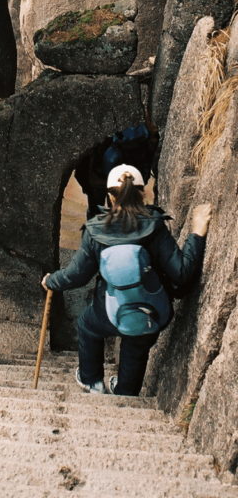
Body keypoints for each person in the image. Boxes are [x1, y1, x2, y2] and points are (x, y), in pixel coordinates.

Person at [42, 165, 211, 396]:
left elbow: (76, 276)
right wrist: (197, 233)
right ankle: (125, 393)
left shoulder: (96, 231)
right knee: (136, 347)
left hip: (109, 311)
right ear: (142, 192)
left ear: (110, 196)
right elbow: (181, 272)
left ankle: (93, 382)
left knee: (87, 325)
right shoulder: (155, 225)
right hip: (150, 312)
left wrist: (52, 281)